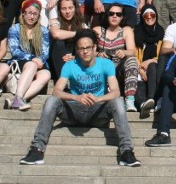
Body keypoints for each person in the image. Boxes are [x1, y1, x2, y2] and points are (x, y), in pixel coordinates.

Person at [19, 29, 141, 167]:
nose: (85, 51)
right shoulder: (70, 65)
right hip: (75, 112)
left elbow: (116, 92)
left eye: (88, 47)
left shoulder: (105, 64)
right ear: (76, 50)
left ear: (95, 47)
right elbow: (56, 91)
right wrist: (76, 98)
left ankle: (126, 151)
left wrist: (98, 99)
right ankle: (37, 149)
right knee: (51, 101)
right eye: (81, 48)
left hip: (97, 112)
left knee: (118, 102)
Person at [6, 0, 51, 111]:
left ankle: (17, 99)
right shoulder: (15, 28)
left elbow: (45, 52)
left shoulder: (43, 30)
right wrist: (33, 59)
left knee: (46, 74)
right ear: (23, 13)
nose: (31, 17)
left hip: (39, 63)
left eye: (35, 14)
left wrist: (39, 59)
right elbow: (14, 50)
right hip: (21, 61)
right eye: (29, 13)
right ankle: (19, 98)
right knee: (31, 65)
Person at [93, 3, 139, 112]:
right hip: (103, 67)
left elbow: (132, 51)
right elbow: (89, 51)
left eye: (118, 14)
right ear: (107, 15)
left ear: (122, 17)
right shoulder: (98, 30)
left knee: (132, 60)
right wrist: (98, 54)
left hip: (119, 67)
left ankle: (129, 99)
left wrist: (124, 52)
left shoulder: (126, 30)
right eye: (111, 14)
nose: (114, 16)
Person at [133, 4, 164, 118]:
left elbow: (162, 55)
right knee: (137, 77)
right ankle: (142, 104)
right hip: (138, 67)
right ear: (142, 17)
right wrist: (140, 68)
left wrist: (150, 61)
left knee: (152, 66)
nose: (149, 17)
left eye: (152, 14)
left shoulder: (161, 32)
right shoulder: (135, 32)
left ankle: (151, 99)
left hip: (153, 67)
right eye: (146, 15)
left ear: (156, 16)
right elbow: (132, 54)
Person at [48, 0, 87, 82]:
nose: (67, 11)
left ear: (75, 8)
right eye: (64, 8)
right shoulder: (54, 21)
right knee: (59, 42)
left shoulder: (82, 25)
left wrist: (74, 57)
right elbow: (56, 34)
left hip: (76, 60)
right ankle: (63, 84)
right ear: (59, 10)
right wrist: (78, 33)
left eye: (70, 8)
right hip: (56, 62)